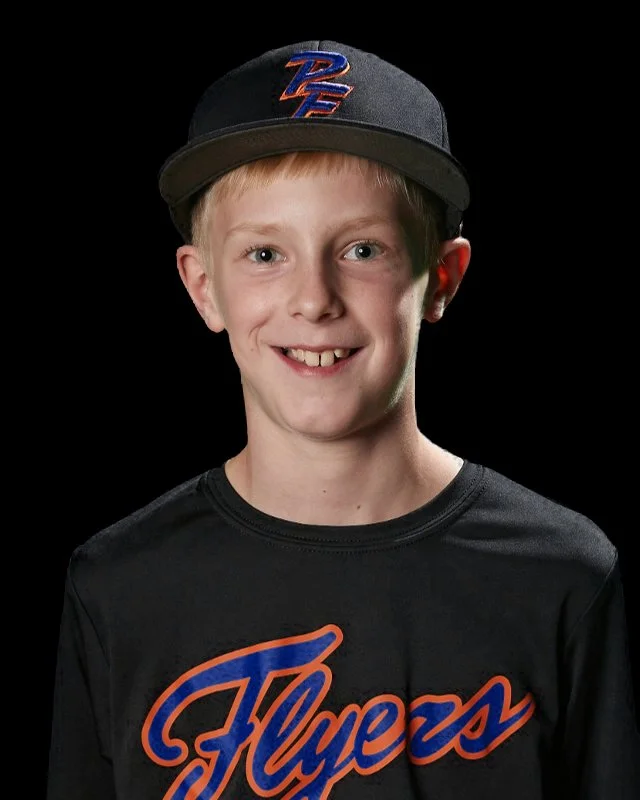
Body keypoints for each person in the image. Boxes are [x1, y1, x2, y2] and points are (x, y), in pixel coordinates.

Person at [47, 40, 639, 799]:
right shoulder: (119, 585)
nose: (314, 300)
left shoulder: (560, 574)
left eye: (362, 249)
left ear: (441, 277)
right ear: (202, 287)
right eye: (265, 254)